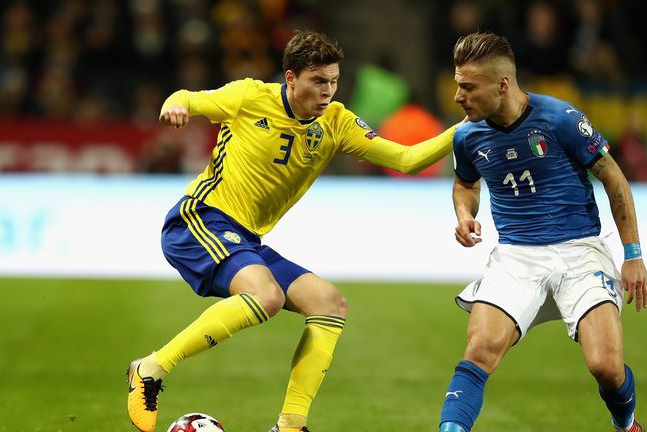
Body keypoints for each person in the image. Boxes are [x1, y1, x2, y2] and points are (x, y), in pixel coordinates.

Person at [126, 30, 458, 432]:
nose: (328, 92)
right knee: (265, 295)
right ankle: (151, 368)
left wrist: (463, 130)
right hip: (200, 218)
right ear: (290, 78)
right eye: (318, 81)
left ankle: (290, 425)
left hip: (245, 239)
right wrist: (173, 106)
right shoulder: (251, 97)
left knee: (328, 303)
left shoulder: (336, 123)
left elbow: (405, 159)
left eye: (334, 81)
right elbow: (186, 97)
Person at [438, 32, 647, 432]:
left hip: (581, 252)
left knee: (605, 366)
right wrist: (465, 213)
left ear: (502, 84)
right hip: (517, 257)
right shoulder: (467, 136)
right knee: (479, 350)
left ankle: (626, 424)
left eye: (467, 87)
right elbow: (465, 184)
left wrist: (633, 255)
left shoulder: (560, 119)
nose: (457, 97)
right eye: (457, 85)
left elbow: (615, 180)